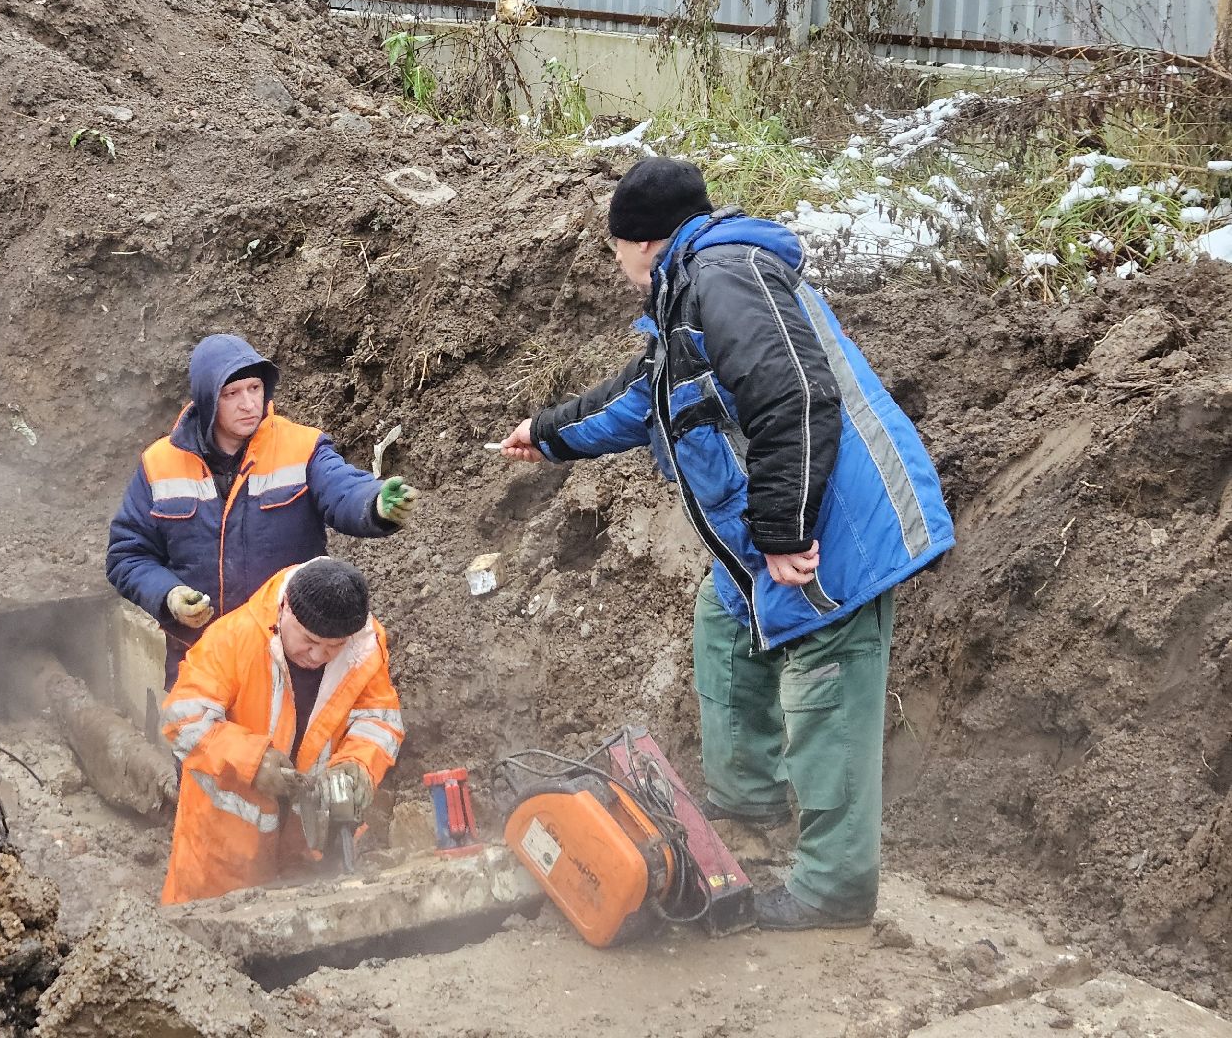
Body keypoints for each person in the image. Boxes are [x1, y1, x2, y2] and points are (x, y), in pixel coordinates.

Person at [496, 158, 954, 931]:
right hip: (773, 542)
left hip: (830, 536)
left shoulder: (727, 275)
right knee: (725, 626)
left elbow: (795, 396)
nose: (619, 271)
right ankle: (748, 810)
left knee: (825, 696)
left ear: (641, 243)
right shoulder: (691, 293)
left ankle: (831, 889)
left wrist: (782, 533)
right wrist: (547, 435)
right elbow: (643, 396)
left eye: (616, 254)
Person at [107, 334, 419, 689]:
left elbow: (342, 486)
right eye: (232, 394)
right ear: (208, 400)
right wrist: (169, 596)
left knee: (282, 745)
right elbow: (127, 556)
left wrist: (375, 503)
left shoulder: (300, 447)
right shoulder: (159, 464)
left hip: (288, 658)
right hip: (201, 657)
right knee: (205, 742)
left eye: (255, 388)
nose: (248, 404)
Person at [157, 558, 403, 904]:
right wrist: (252, 762)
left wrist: (357, 766)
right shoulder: (234, 638)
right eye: (309, 640)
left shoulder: (364, 649)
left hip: (311, 853)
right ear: (285, 608)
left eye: (333, 647)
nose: (317, 655)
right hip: (223, 854)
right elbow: (183, 719)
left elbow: (378, 720)